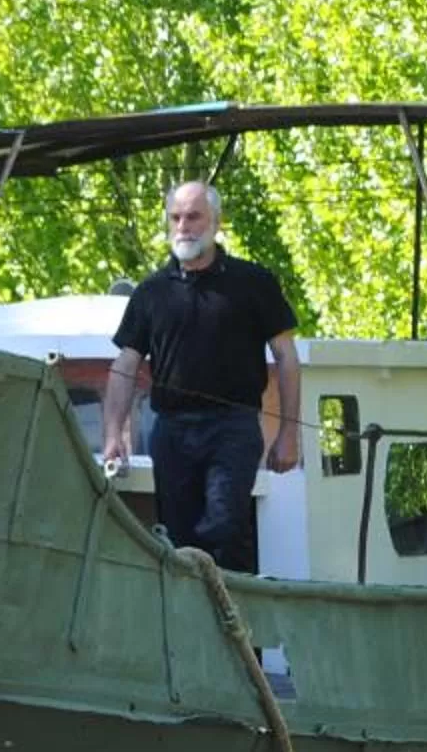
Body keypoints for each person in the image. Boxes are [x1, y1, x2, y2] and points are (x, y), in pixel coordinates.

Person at [99, 179, 302, 573]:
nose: (183, 227)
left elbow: (287, 358)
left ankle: (238, 631)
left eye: (193, 217)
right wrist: (112, 434)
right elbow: (125, 365)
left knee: (225, 528)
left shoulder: (253, 282)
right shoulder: (151, 292)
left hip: (234, 428)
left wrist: (288, 434)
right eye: (175, 218)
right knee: (177, 540)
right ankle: (188, 630)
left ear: (215, 222)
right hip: (172, 431)